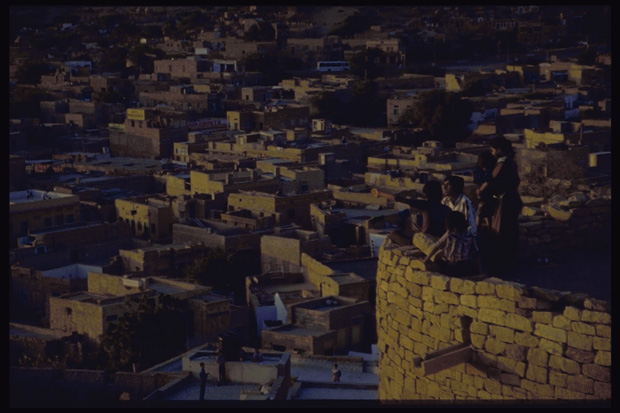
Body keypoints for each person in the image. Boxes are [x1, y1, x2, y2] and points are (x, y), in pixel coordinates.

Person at [479, 136, 524, 275]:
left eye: (493, 150)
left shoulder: (503, 164)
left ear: (499, 150)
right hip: (510, 201)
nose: (492, 153)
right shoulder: (509, 163)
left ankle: (503, 266)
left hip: (506, 203)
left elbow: (492, 181)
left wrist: (481, 191)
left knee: (502, 233)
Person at [371, 181, 451, 245]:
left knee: (393, 234)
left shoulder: (424, 205)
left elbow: (398, 199)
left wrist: (380, 194)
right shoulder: (447, 209)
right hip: (441, 240)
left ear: (427, 194)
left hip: (425, 241)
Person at [422, 211, 478, 278]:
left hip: (458, 266)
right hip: (458, 265)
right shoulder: (466, 235)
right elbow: (438, 245)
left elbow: (437, 246)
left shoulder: (454, 234)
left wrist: (426, 259)